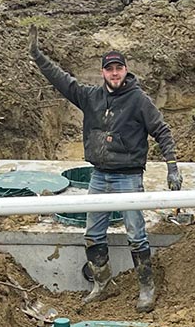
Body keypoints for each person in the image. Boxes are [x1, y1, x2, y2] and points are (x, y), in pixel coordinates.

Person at [29, 37, 181, 311]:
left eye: (118, 68)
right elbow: (63, 81)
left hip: (128, 177)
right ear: (103, 72)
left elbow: (162, 131)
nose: (114, 73)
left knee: (136, 233)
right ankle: (103, 284)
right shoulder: (91, 98)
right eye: (109, 69)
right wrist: (39, 57)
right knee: (93, 234)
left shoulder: (138, 100)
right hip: (99, 176)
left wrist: (172, 167)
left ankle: (146, 287)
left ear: (125, 70)